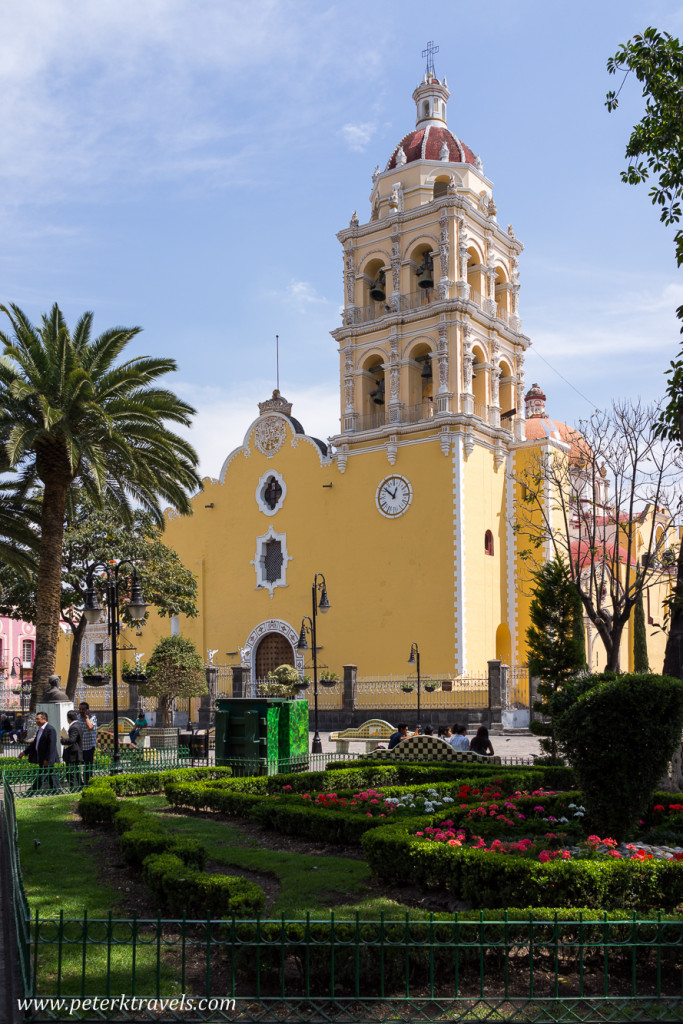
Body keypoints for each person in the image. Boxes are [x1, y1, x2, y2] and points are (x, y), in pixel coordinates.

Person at [18, 711, 61, 792]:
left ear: (44, 719)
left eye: (38, 719)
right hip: (41, 758)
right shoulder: (40, 730)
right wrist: (25, 752)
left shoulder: (50, 729)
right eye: (36, 719)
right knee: (51, 776)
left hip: (46, 759)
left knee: (41, 777)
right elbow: (35, 743)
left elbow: (51, 747)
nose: (36, 721)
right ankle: (58, 791)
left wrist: (47, 759)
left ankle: (30, 792)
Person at [61, 710, 83, 791]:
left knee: (71, 773)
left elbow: (72, 740)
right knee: (75, 772)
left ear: (68, 718)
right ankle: (79, 787)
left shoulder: (74, 727)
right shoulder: (77, 725)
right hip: (73, 753)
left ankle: (74, 789)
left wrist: (63, 740)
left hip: (72, 754)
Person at [78, 702, 98, 782]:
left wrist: (86, 717)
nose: (81, 711)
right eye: (80, 709)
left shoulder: (92, 717)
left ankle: (88, 781)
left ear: (87, 710)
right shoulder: (78, 717)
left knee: (88, 766)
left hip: (89, 746)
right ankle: (79, 782)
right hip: (80, 745)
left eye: (83, 709)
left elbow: (90, 727)